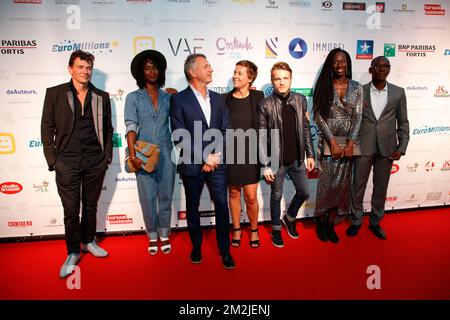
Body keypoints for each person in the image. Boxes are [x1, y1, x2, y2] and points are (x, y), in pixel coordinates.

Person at [41, 50, 113, 278]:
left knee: (90, 205)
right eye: (80, 67)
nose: (85, 71)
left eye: (88, 67)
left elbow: (109, 129)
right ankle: (73, 251)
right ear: (70, 69)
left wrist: (106, 157)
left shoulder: (102, 96)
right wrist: (53, 160)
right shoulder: (55, 94)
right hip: (67, 161)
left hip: (95, 160)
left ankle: (88, 240)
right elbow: (46, 127)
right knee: (71, 210)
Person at [170, 53, 235, 269]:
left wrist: (213, 156)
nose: (211, 69)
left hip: (217, 163)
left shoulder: (219, 98)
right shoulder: (178, 99)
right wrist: (203, 156)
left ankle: (225, 251)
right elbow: (180, 134)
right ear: (192, 71)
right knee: (192, 207)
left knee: (222, 206)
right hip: (192, 163)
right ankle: (196, 246)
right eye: (206, 66)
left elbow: (226, 129)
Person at [348, 56, 409, 240]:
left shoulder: (398, 93)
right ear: (371, 69)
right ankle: (356, 220)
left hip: (387, 148)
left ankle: (375, 221)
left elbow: (403, 122)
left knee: (381, 188)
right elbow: (352, 120)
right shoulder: (360, 91)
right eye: (378, 66)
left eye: (385, 66)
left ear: (389, 69)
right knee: (357, 186)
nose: (382, 69)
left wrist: (402, 146)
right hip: (363, 147)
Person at [258, 62, 315, 248]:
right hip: (276, 161)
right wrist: (265, 165)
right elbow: (261, 136)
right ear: (272, 81)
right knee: (276, 196)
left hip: (298, 158)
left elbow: (306, 129)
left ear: (291, 79)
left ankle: (289, 217)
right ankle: (276, 229)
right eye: (277, 78)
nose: (281, 82)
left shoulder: (300, 100)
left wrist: (310, 154)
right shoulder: (265, 104)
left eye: (285, 78)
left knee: (305, 192)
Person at [124, 50, 176, 255]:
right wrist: (132, 155)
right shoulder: (133, 98)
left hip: (166, 151)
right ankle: (152, 235)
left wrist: (177, 95)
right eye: (147, 68)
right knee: (147, 198)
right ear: (140, 72)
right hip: (142, 153)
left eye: (155, 67)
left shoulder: (168, 97)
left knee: (165, 196)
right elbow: (130, 127)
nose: (152, 71)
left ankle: (164, 234)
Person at [312, 48, 362, 243]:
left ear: (348, 63)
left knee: (340, 188)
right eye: (335, 62)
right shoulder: (324, 85)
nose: (339, 65)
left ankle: (331, 225)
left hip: (348, 146)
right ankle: (321, 222)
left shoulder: (357, 87)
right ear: (330, 65)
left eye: (343, 61)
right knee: (326, 186)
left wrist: (350, 143)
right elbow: (318, 116)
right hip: (328, 144)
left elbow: (358, 117)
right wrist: (332, 141)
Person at [225, 60, 264, 249]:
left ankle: (254, 229)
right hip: (231, 153)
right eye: (234, 72)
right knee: (233, 192)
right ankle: (237, 229)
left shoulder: (258, 97)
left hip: (251, 154)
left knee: (250, 196)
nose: (235, 76)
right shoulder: (225, 99)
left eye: (240, 73)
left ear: (250, 78)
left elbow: (271, 114)